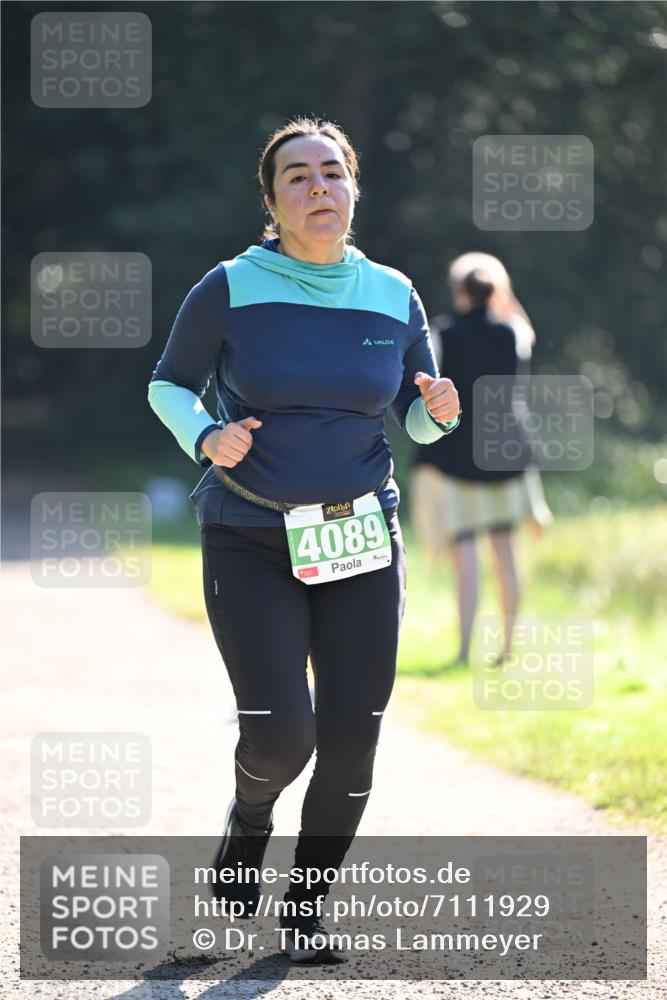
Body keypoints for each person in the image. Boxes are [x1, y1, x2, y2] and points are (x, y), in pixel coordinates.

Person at [147, 116, 460, 962]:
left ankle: (305, 911)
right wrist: (206, 436)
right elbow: (168, 384)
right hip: (250, 534)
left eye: (331, 173)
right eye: (297, 177)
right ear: (273, 200)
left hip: (362, 534)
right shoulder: (229, 285)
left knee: (354, 735)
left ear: (353, 187)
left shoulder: (394, 293)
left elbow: (413, 415)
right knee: (285, 734)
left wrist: (433, 416)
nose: (317, 188)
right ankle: (247, 822)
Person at [410, 252, 552, 667]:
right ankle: (507, 648)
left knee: (466, 556)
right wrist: (502, 289)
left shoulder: (441, 333)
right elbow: (524, 328)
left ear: (457, 292)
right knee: (505, 553)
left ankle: (464, 651)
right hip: (505, 458)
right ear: (496, 290)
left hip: (453, 460)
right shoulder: (513, 331)